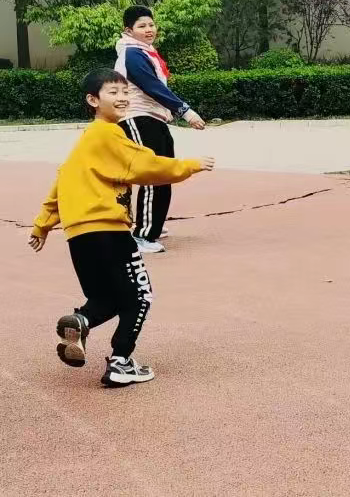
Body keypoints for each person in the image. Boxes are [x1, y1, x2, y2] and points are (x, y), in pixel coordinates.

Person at [29, 69, 214, 387]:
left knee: (106, 299)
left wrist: (42, 225)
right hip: (109, 231)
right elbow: (144, 164)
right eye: (113, 92)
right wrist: (190, 165)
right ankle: (120, 362)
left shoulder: (85, 142)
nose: (123, 97)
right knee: (140, 296)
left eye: (125, 91)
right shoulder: (109, 134)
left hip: (79, 236)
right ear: (93, 100)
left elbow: (61, 182)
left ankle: (80, 321)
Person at [115, 6, 206, 254]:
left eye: (151, 25)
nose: (149, 30)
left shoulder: (146, 52)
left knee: (165, 171)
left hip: (154, 119)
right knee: (153, 173)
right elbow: (152, 86)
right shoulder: (132, 53)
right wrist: (185, 111)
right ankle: (143, 234)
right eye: (142, 26)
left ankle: (153, 223)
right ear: (128, 31)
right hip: (138, 118)